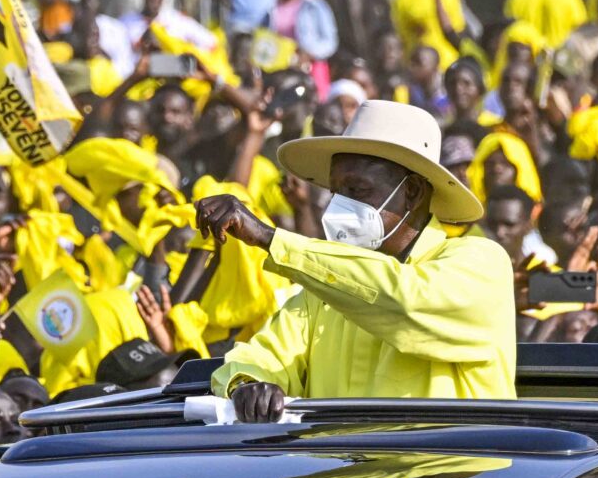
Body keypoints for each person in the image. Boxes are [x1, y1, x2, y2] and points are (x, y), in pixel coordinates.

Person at [195, 100, 515, 416]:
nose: (338, 206)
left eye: (356, 189)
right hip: (341, 465)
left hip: (455, 467)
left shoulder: (480, 260)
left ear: (413, 192)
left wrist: (269, 238)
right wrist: (247, 385)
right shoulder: (320, 294)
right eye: (335, 192)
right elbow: (260, 357)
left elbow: (405, 302)